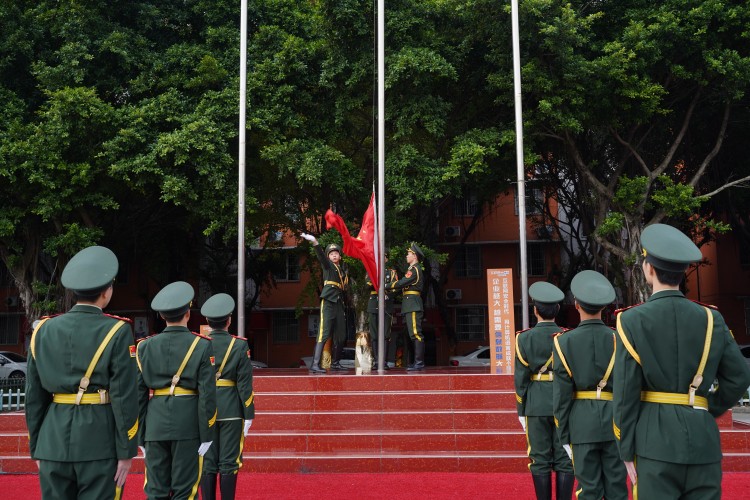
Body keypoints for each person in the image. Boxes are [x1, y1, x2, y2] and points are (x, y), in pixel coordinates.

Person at [613, 223, 750, 499]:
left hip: (654, 444)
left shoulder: (631, 320)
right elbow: (739, 377)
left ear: (648, 269)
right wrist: (705, 406)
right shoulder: (712, 318)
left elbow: (626, 394)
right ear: (684, 271)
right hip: (703, 441)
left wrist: (626, 448)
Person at [25, 245, 139, 499]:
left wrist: (38, 448)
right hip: (98, 441)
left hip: (51, 442)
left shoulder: (42, 330)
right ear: (106, 292)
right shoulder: (117, 331)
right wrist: (126, 451)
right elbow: (124, 398)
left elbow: (33, 398)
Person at [136, 281, 217, 499]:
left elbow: (138, 396)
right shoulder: (201, 345)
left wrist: (140, 435)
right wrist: (207, 433)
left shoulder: (144, 346)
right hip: (188, 425)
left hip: (155, 425)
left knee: (155, 489)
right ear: (188, 314)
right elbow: (207, 395)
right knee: (185, 490)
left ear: (162, 316)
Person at [552, 270, 627, 499]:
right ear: (604, 307)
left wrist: (563, 434)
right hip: (617, 421)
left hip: (581, 424)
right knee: (617, 488)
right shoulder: (620, 338)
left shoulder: (563, 342)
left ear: (576, 305)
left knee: (588, 490)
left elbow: (561, 396)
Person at [514, 281, 574, 500]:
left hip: (536, 403)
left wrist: (521, 408)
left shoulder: (524, 338)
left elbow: (520, 379)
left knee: (539, 458)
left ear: (535, 310)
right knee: (565, 457)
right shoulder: (567, 336)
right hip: (564, 402)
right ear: (557, 310)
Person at [199, 293, 255, 500]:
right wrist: (248, 412)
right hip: (231, 409)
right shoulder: (239, 345)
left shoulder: (199, 344)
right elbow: (244, 383)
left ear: (207, 321)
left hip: (205, 409)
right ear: (229, 320)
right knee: (229, 462)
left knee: (207, 461)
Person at [300, 233, 350, 373]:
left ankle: (336, 362)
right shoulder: (328, 266)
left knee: (341, 335)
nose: (334, 255)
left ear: (340, 256)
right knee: (324, 332)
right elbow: (321, 256)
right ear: (328, 257)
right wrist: (315, 242)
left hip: (339, 303)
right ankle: (315, 364)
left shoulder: (342, 270)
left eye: (336, 253)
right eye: (331, 254)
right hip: (328, 301)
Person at [387, 242, 426, 371]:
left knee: (416, 334)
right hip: (410, 304)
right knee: (412, 334)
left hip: (413, 304)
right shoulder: (412, 269)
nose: (406, 256)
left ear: (414, 256)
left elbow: (402, 283)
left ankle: (419, 362)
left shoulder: (414, 269)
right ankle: (415, 362)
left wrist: (387, 286)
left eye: (408, 254)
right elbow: (403, 286)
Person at [365, 248, 398, 370]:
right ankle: (376, 361)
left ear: (386, 259)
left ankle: (383, 361)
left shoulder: (392, 273)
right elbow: (367, 285)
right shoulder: (371, 271)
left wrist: (386, 293)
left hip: (387, 304)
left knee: (385, 334)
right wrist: (379, 287)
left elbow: (396, 288)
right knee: (374, 334)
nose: (381, 259)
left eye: (383, 257)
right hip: (374, 304)